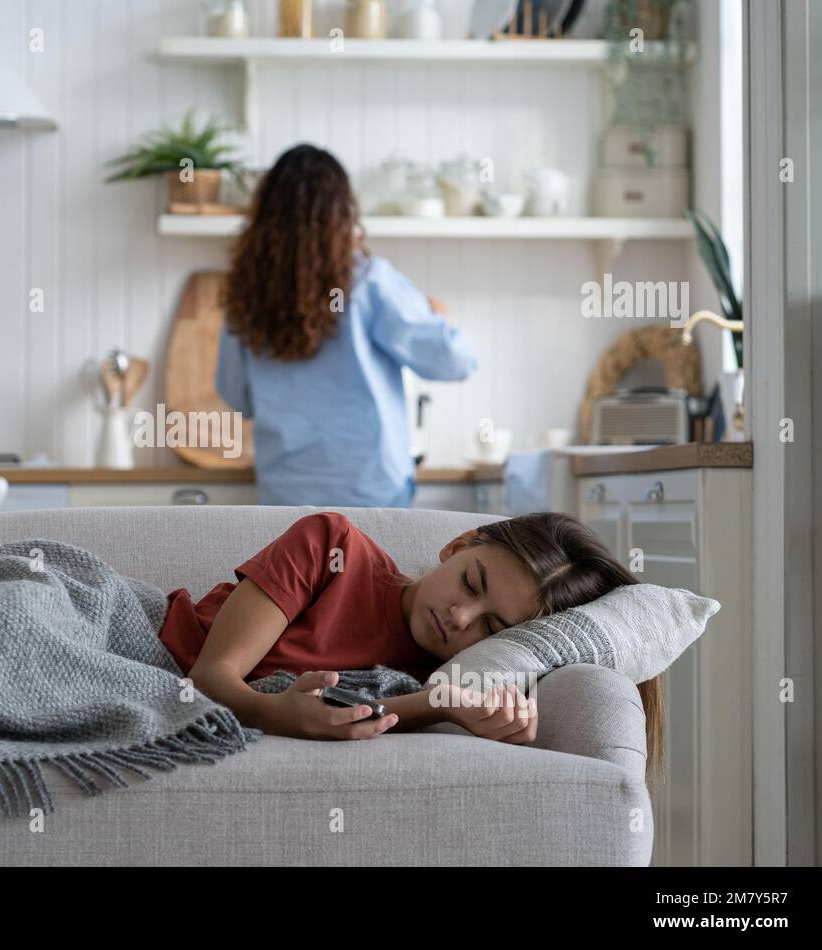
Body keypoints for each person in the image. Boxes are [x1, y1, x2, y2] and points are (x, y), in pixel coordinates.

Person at [159, 510, 666, 786]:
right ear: (458, 545)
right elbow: (208, 679)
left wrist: (451, 706)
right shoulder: (331, 546)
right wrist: (279, 715)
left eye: (492, 627)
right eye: (470, 583)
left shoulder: (444, 680)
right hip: (157, 651)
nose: (459, 618)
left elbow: (375, 711)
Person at [217, 143, 477, 508]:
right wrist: (439, 318)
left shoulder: (247, 294)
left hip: (287, 495)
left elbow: (235, 394)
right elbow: (455, 362)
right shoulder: (369, 281)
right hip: (372, 492)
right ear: (343, 213)